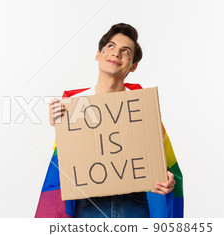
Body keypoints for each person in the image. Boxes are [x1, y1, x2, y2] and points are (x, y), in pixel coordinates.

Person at [35, 23, 183, 218]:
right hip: (87, 206)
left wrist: (167, 181)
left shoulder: (142, 106)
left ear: (134, 65)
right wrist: (60, 127)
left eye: (125, 50)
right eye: (111, 46)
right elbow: (65, 164)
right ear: (98, 54)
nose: (116, 53)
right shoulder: (72, 105)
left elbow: (159, 162)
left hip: (135, 206)